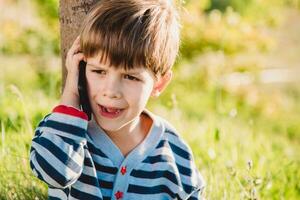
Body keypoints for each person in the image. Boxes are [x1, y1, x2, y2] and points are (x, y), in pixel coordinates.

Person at [29, 0, 205, 199]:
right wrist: (71, 91)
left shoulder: (174, 155)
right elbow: (53, 173)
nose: (111, 91)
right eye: (98, 71)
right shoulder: (66, 132)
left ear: (159, 84)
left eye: (130, 77)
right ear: (80, 68)